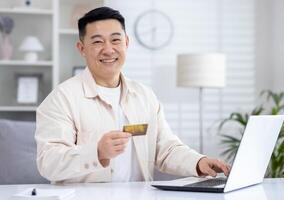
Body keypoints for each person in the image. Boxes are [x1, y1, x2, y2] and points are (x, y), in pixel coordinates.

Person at [35, 6, 230, 183]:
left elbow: (166, 149)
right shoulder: (61, 99)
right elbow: (48, 162)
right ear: (81, 49)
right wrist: (97, 152)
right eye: (97, 41)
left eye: (115, 40)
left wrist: (198, 162)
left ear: (126, 43)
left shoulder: (145, 96)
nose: (108, 49)